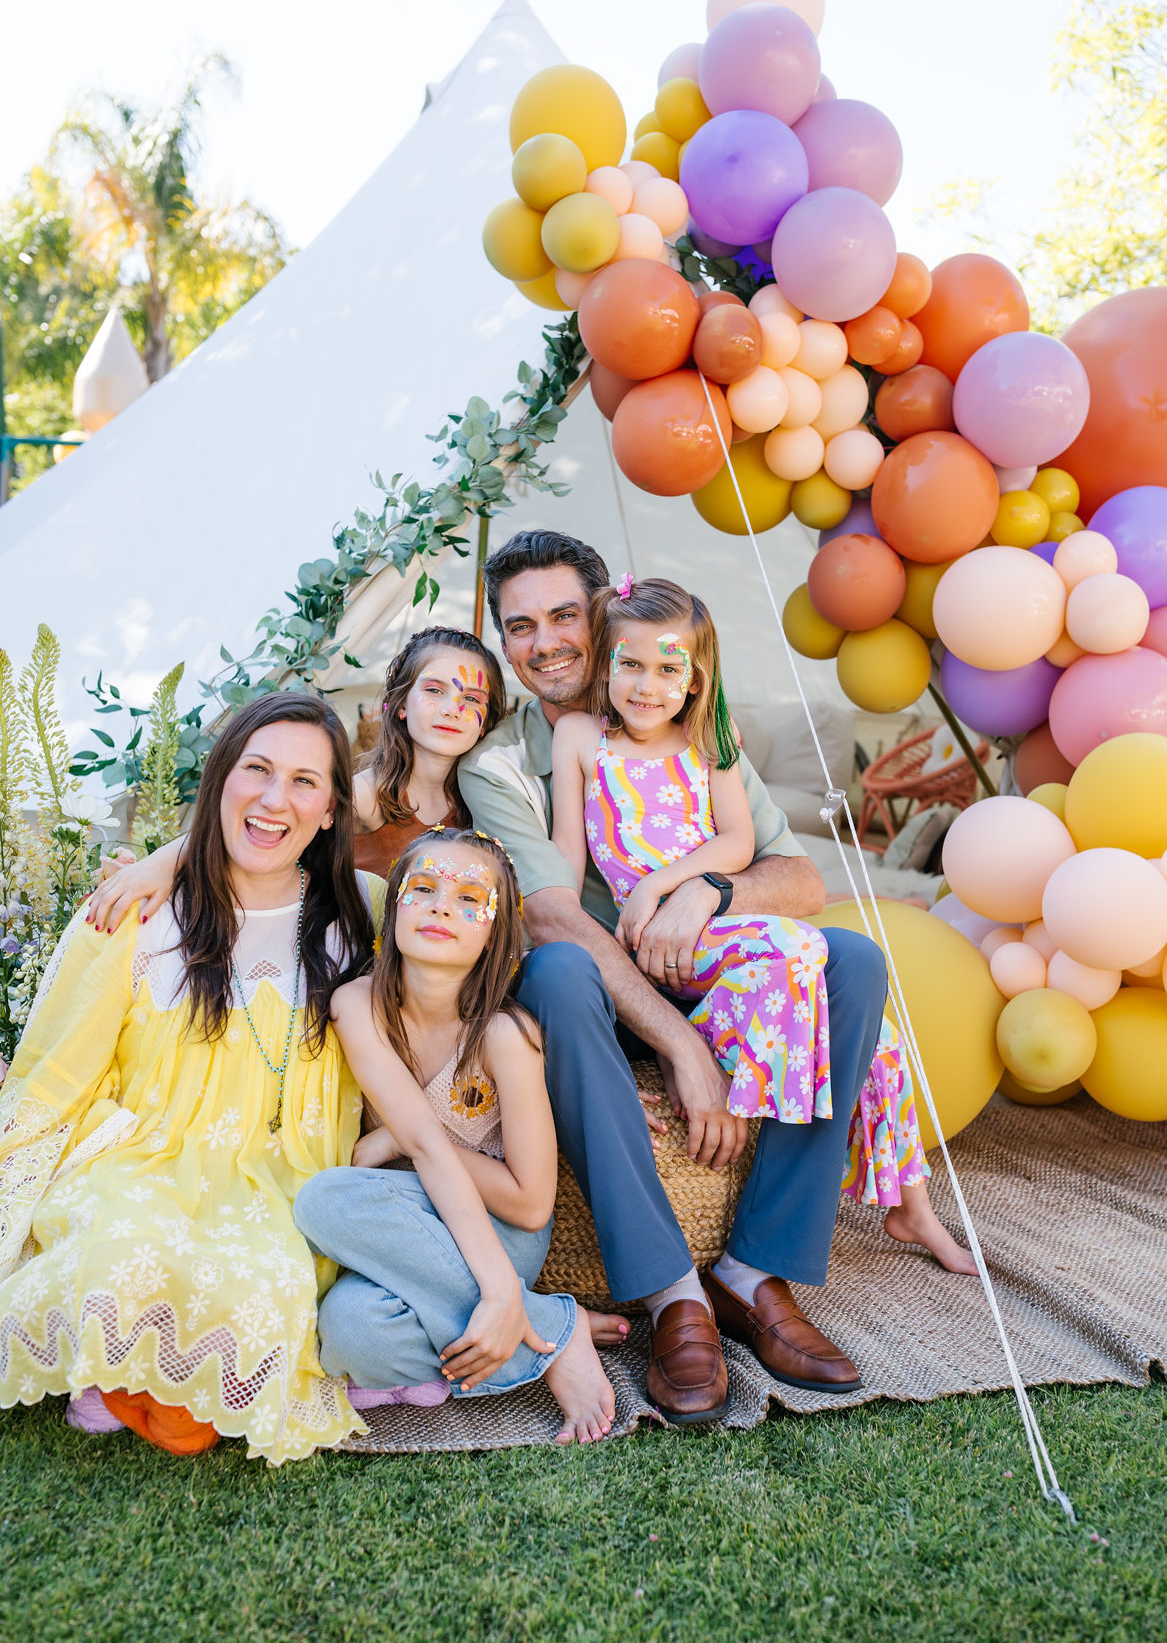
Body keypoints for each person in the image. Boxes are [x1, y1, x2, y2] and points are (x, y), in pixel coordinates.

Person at [456, 529, 955, 1423]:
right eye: (519, 626)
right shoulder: (504, 764)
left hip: (703, 958)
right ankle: (669, 1292)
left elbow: (795, 875)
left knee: (851, 957)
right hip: (595, 996)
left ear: (605, 613)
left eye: (564, 615)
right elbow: (551, 909)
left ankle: (757, 1265)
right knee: (563, 969)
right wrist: (682, 1046)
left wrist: (707, 892)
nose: (546, 643)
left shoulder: (692, 731)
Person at [552, 573, 974, 1271]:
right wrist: (586, 927)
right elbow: (566, 860)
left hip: (707, 925)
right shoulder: (579, 738)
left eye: (667, 669)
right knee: (800, 947)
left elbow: (736, 844)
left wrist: (660, 882)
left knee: (877, 1035)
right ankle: (726, 1074)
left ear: (694, 678)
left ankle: (913, 1206)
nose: (645, 685)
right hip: (652, 951)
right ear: (603, 664)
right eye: (629, 664)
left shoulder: (707, 740)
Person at [0, 692, 381, 1462]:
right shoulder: (138, 912)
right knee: (117, 1253)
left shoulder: (362, 917)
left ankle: (153, 1385)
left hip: (280, 1179)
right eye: (258, 770)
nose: (276, 800)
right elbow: (58, 1069)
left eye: (306, 782)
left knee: (264, 1295)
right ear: (220, 780)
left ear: (334, 808)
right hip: (138, 1159)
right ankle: (127, 1368)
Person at [294, 829, 624, 1444]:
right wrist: (410, 1143)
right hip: (408, 1228)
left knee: (326, 1198)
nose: (444, 906)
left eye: (472, 898)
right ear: (393, 908)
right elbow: (419, 1150)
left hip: (499, 1233)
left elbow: (529, 1204)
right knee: (350, 1330)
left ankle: (532, 1328)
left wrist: (398, 1140)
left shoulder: (504, 1036)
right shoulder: (357, 1005)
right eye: (424, 889)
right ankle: (546, 1322)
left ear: (495, 934)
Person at [350, 625, 508, 877]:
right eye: (434, 690)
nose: (451, 709)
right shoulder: (361, 795)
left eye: (471, 699)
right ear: (401, 703)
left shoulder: (490, 804)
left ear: (486, 723)